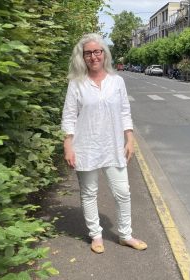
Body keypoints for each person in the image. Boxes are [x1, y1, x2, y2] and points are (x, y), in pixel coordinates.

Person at [61, 33, 147, 254]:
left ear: (104, 54)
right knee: (89, 192)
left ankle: (125, 235)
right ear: (83, 57)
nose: (93, 56)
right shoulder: (76, 83)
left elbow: (125, 112)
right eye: (88, 53)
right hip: (86, 145)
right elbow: (69, 115)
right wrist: (68, 145)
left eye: (97, 51)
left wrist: (130, 138)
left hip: (113, 145)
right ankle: (96, 235)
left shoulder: (117, 82)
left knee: (123, 192)